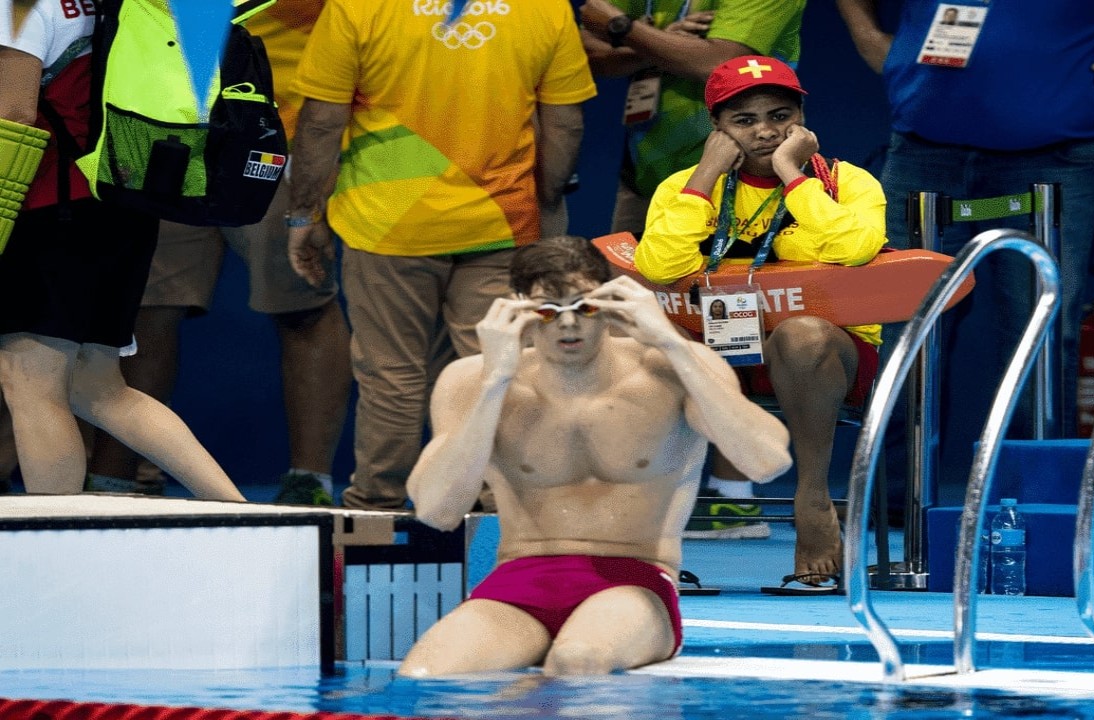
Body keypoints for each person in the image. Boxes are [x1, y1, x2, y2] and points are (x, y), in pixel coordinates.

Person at [835, 0, 1094, 491]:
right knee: (904, 329)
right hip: (921, 149)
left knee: (1035, 328)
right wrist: (867, 34)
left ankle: (1027, 500)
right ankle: (891, 502)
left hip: (1056, 158)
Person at [397, 236, 792, 676]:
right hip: (518, 580)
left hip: (635, 581)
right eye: (548, 311)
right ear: (517, 311)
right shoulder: (470, 380)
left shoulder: (668, 369)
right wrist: (496, 381)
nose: (569, 326)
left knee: (578, 661)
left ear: (611, 303)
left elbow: (767, 461)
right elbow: (436, 510)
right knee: (425, 676)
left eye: (584, 308)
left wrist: (672, 343)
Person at [287, 0, 596, 510]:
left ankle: (378, 509)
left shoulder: (355, 7)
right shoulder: (545, 8)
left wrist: (305, 215)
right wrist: (547, 197)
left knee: (392, 375)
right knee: (493, 369)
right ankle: (493, 507)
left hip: (386, 224)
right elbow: (566, 125)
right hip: (502, 221)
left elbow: (321, 123)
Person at [634, 56, 888, 589]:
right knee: (647, 348)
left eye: (779, 115)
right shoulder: (683, 185)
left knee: (802, 332)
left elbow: (856, 248)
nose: (766, 131)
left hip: (824, 363)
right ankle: (655, 534)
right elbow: (657, 268)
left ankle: (813, 499)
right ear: (717, 129)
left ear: (801, 119)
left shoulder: (846, 181)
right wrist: (706, 175)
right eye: (744, 120)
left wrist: (793, 175)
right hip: (716, 357)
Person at [85, 0, 352, 505]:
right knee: (145, 313)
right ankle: (116, 481)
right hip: (159, 123)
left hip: (278, 133)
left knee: (303, 307)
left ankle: (309, 482)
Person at [0, 0, 244, 502]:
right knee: (99, 389)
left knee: (30, 383)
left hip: (47, 209)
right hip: (119, 204)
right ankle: (244, 515)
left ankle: (58, 544)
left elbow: (13, 114)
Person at [578, 0, 807, 238]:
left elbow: (719, 63)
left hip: (747, 174)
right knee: (636, 271)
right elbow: (589, 50)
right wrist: (656, 43)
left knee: (749, 272)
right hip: (646, 170)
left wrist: (623, 29)